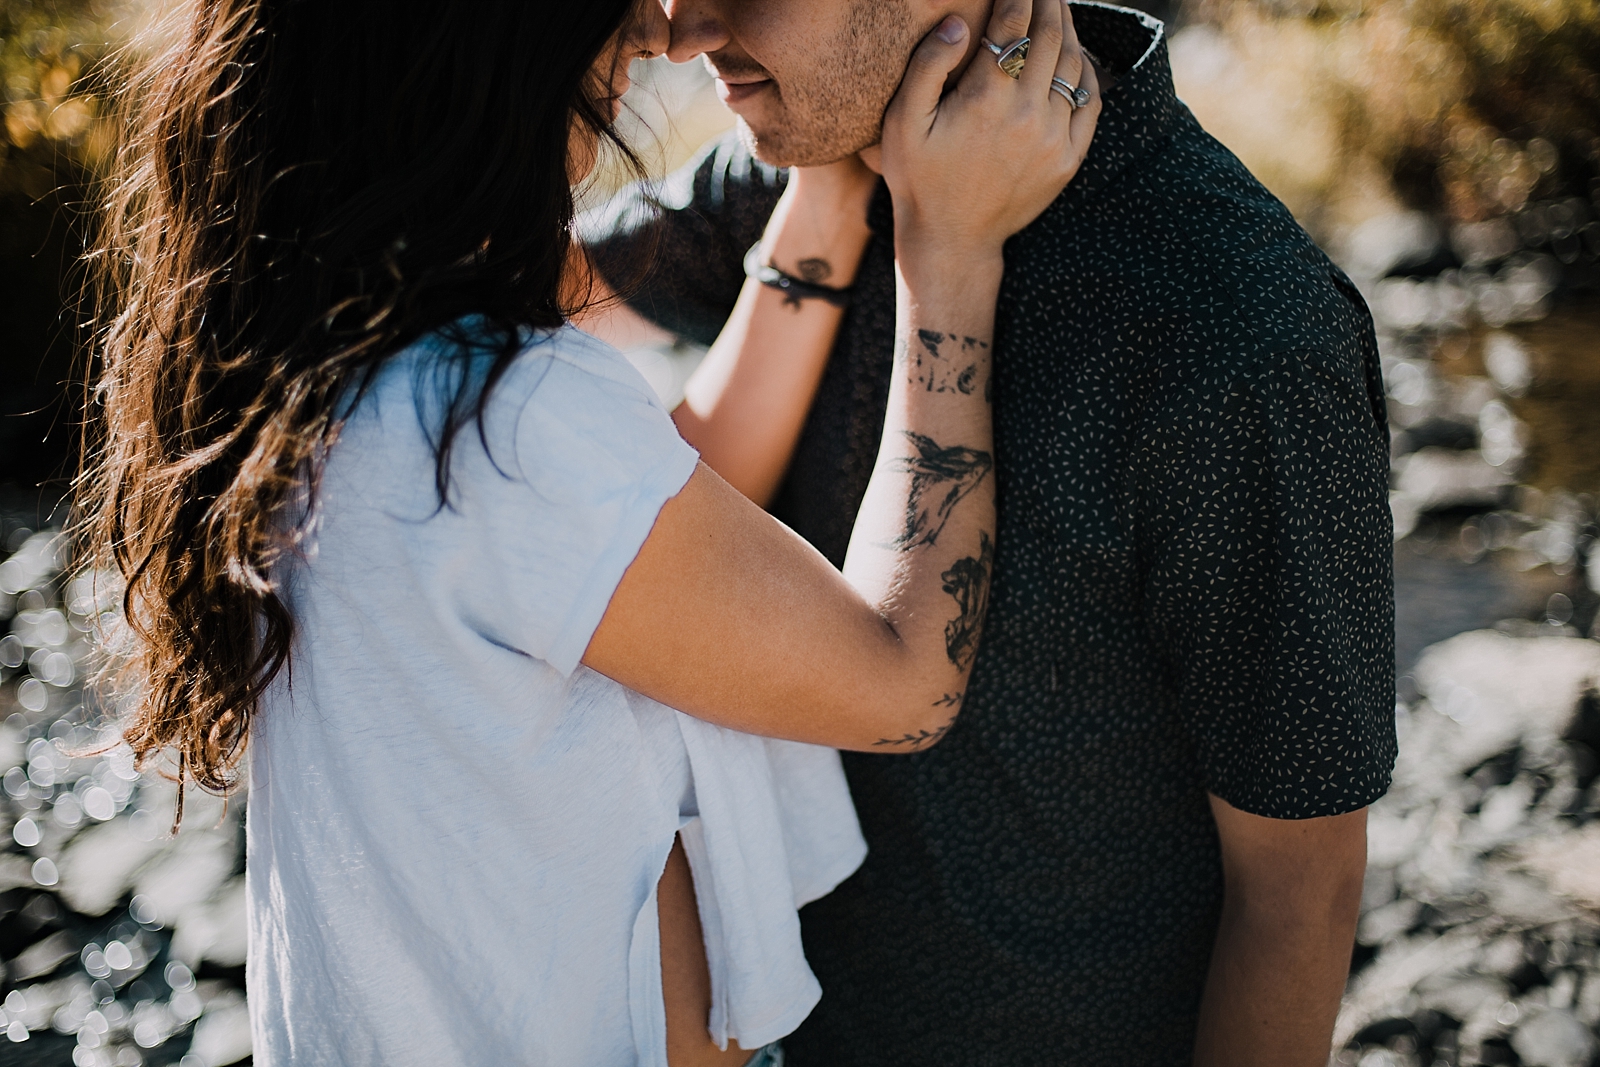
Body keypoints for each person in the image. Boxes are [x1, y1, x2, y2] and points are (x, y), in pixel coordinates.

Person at [80, 0, 1098, 1063]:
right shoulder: (502, 423)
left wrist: (829, 189)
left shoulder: (343, 368)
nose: (660, 35)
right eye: (606, 24)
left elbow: (656, 529)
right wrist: (950, 254)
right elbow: (902, 679)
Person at [579, 0, 1398, 1063]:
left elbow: (1299, 889)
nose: (681, 30)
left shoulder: (1234, 331)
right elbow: (453, 303)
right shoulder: (806, 165)